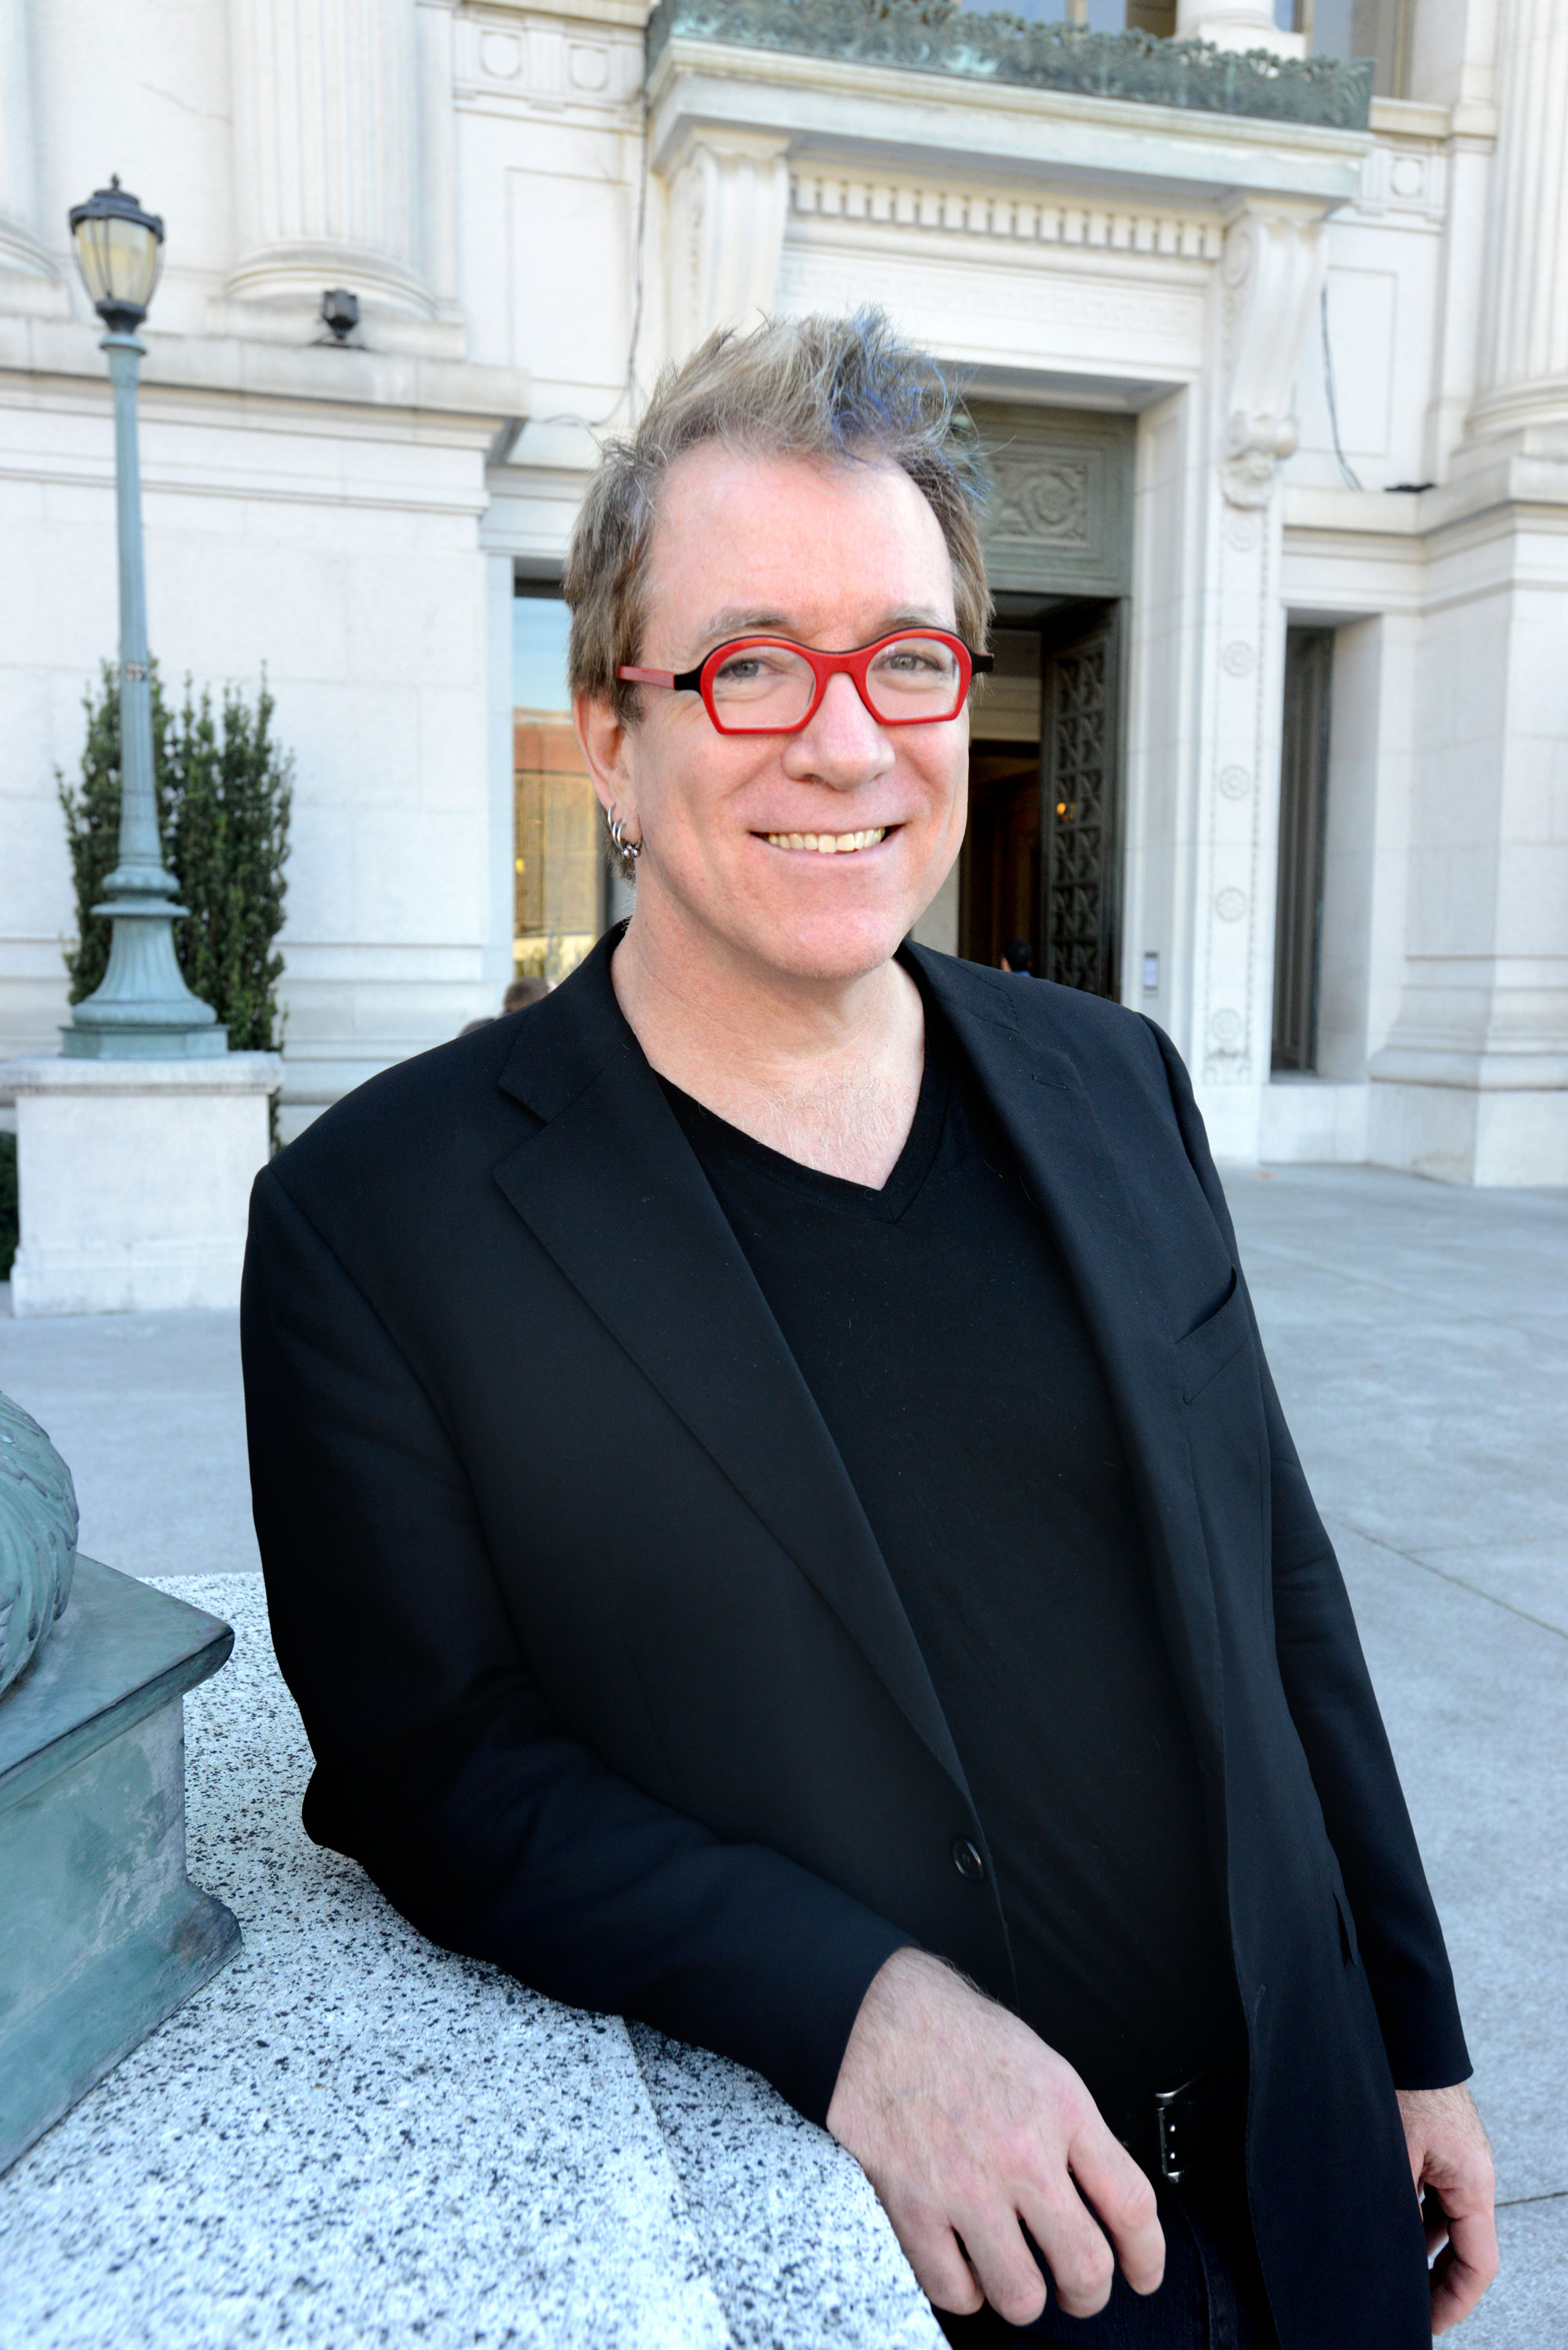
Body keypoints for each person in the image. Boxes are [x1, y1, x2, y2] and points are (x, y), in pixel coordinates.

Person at [241, 311, 1497, 2350]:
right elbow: (429, 1761)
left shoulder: (1116, 1081)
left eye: (906, 658)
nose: (843, 739)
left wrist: (1412, 2031)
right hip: (944, 2281)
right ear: (610, 729)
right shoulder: (377, 1220)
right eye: (751, 663)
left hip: (1308, 2180)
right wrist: (854, 2008)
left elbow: (1275, 1575)